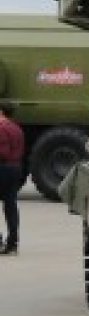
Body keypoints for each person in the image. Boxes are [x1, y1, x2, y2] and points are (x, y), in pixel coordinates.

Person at [0, 100, 24, 255]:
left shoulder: (1, 128)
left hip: (2, 167)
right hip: (15, 167)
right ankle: (13, 243)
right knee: (10, 206)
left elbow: (3, 152)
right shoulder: (17, 128)